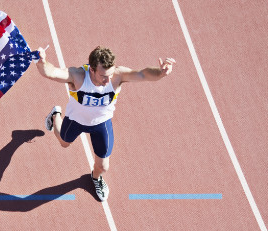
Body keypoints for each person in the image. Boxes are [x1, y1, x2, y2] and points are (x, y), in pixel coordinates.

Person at [35, 46, 175, 201]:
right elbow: (51, 72)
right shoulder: (78, 76)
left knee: (103, 167)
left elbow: (143, 74)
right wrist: (42, 61)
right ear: (92, 70)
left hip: (100, 124)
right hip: (76, 120)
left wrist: (160, 73)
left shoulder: (117, 76)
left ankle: (96, 178)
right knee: (63, 143)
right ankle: (56, 115)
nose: (108, 80)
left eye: (110, 75)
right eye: (103, 76)